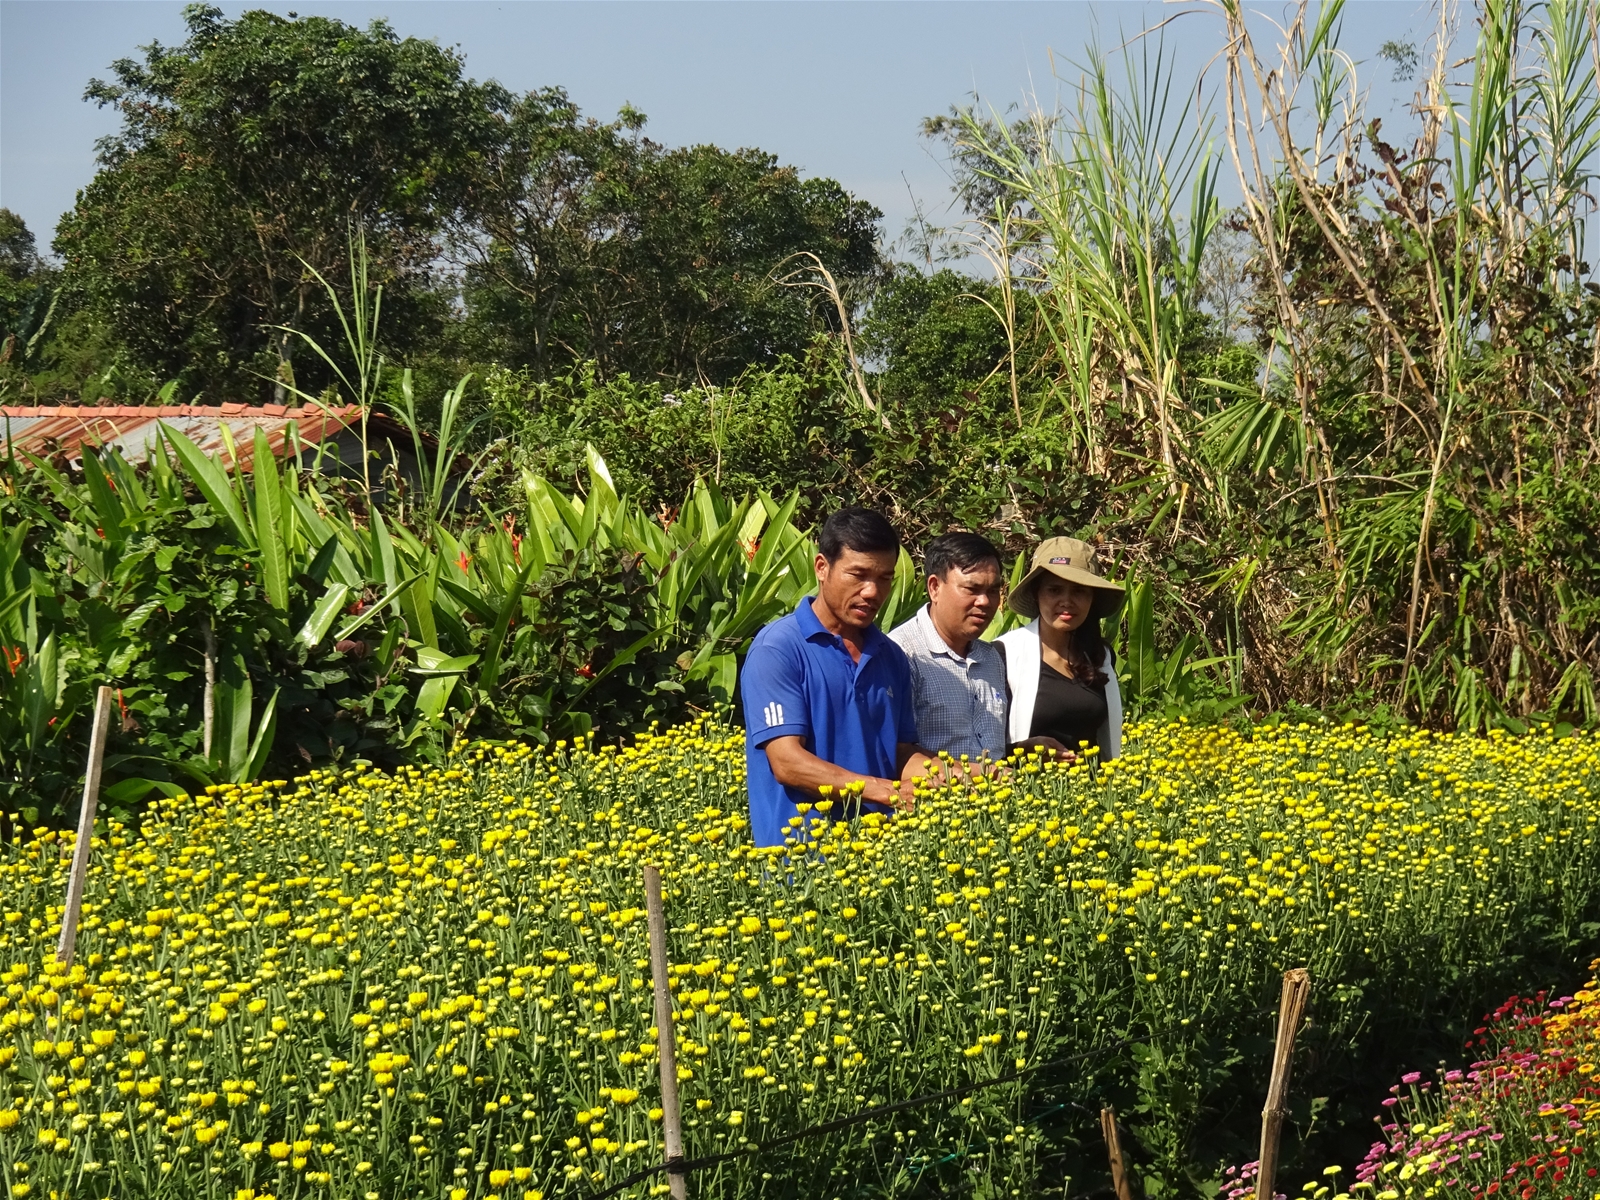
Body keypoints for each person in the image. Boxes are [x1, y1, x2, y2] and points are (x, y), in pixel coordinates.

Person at [740, 508, 939, 848]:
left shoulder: (890, 656)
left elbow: (900, 753)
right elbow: (787, 762)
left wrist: (954, 776)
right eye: (858, 575)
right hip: (799, 866)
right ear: (822, 568)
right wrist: (882, 790)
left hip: (882, 860)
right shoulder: (779, 649)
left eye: (884, 578)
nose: (872, 592)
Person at [889, 531, 1068, 765]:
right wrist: (984, 776)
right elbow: (898, 754)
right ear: (934, 587)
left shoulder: (990, 658)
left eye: (993, 591)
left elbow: (983, 753)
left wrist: (1021, 751)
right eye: (972, 589)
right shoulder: (902, 653)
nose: (984, 602)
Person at [997, 537, 1125, 761]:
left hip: (1095, 790)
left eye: (1078, 591)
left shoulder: (1100, 656)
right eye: (1054, 590)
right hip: (1025, 791)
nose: (1066, 601)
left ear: (1092, 599)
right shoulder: (1005, 655)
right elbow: (979, 744)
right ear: (1037, 595)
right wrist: (1025, 750)